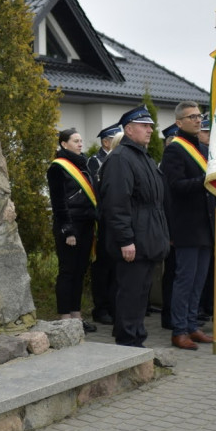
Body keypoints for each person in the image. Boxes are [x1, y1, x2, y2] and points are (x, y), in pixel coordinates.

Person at [98, 106, 170, 348]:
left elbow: (154, 203)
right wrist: (125, 240)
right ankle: (128, 342)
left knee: (141, 294)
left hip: (147, 239)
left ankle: (136, 338)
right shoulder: (120, 159)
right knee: (130, 294)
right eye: (144, 126)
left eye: (150, 126)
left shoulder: (142, 157)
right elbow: (116, 204)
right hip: (134, 242)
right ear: (129, 129)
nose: (151, 130)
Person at [161, 101, 216, 350]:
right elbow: (175, 186)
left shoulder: (203, 149)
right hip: (186, 225)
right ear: (179, 122)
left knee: (200, 280)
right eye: (191, 117)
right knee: (185, 280)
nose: (197, 120)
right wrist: (204, 180)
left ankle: (192, 325)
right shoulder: (174, 150)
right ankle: (179, 330)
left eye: (199, 116)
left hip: (206, 224)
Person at [47, 128, 97, 331]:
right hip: (69, 227)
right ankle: (65, 317)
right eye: (75, 141)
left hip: (86, 225)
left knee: (79, 271)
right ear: (64, 144)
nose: (80, 144)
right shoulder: (57, 167)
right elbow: (58, 202)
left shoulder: (83, 164)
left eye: (81, 140)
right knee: (67, 272)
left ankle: (76, 316)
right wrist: (68, 230)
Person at [88, 124, 121, 325]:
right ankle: (101, 308)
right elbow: (96, 192)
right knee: (102, 269)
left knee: (115, 269)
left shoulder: (118, 159)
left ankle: (113, 305)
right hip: (103, 222)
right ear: (106, 142)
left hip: (115, 221)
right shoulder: (96, 161)